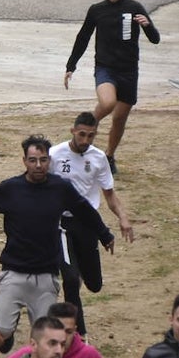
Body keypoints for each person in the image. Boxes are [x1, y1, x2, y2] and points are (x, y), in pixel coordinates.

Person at [0, 135, 114, 349]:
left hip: (45, 277)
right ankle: (8, 332)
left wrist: (104, 234)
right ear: (24, 161)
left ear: (50, 161)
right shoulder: (11, 189)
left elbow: (85, 210)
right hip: (13, 273)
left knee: (44, 341)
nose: (38, 165)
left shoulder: (61, 188)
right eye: (33, 160)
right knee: (0, 336)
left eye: (43, 160)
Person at [64, 0, 161, 170]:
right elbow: (83, 37)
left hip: (128, 70)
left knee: (119, 118)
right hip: (105, 67)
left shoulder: (135, 7)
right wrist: (71, 65)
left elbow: (155, 39)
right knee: (107, 103)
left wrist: (147, 25)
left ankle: (109, 156)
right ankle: (86, 125)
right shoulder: (97, 10)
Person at [47, 113, 134, 333]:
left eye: (91, 136)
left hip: (87, 223)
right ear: (73, 131)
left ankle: (80, 272)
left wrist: (123, 218)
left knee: (94, 284)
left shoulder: (98, 158)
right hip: (61, 224)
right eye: (82, 134)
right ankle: (79, 333)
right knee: (70, 280)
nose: (86, 140)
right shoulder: (55, 155)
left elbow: (109, 194)